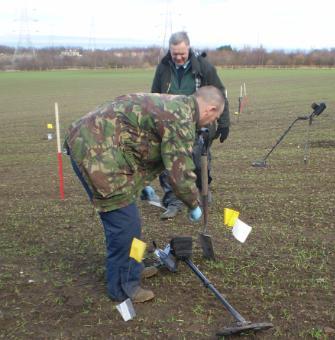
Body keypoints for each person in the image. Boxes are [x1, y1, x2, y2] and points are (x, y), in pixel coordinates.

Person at [64, 86, 225, 303]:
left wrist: (139, 184)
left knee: (132, 223)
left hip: (106, 147)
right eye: (216, 117)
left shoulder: (178, 105)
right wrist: (193, 203)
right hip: (96, 152)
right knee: (124, 226)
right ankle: (122, 287)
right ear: (211, 109)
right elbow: (179, 169)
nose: (212, 123)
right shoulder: (181, 118)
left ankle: (134, 268)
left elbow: (141, 143)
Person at [146, 31, 230, 219]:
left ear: (188, 48)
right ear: (170, 50)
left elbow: (219, 93)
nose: (178, 57)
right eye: (174, 53)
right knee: (167, 162)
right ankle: (173, 201)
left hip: (198, 122)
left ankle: (202, 192)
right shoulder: (163, 68)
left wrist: (224, 122)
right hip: (168, 124)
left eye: (181, 53)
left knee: (198, 159)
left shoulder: (204, 67)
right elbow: (154, 96)